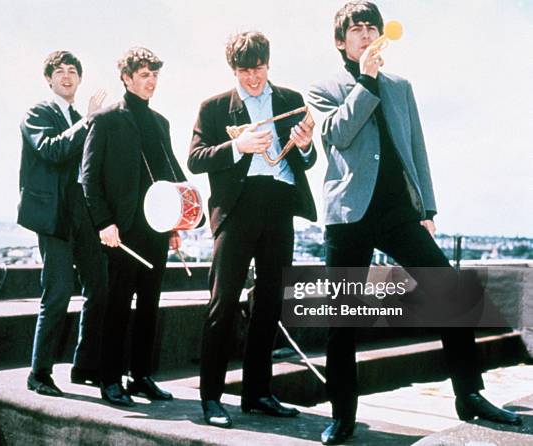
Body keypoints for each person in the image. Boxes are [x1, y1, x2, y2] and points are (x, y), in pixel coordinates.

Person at [307, 2, 523, 444]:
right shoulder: (323, 87)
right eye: (357, 30)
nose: (367, 35)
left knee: (452, 291)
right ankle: (342, 415)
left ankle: (470, 395)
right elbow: (336, 134)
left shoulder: (401, 86)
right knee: (341, 319)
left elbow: (417, 148)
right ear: (340, 42)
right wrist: (365, 79)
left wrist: (426, 210)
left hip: (398, 213)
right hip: (348, 215)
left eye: (372, 28)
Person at [188, 31, 317, 428]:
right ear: (233, 70)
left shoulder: (292, 102)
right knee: (222, 301)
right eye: (244, 72)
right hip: (236, 210)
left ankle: (258, 393)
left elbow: (307, 161)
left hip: (279, 204)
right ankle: (211, 398)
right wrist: (236, 147)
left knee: (270, 303)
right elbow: (194, 159)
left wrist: (307, 145)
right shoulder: (213, 109)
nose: (253, 79)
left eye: (259, 69)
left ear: (268, 63)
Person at [82, 47, 188, 407]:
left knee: (149, 307)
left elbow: (170, 175)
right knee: (116, 307)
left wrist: (177, 223)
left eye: (155, 74)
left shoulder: (161, 123)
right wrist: (104, 223)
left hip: (155, 230)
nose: (151, 81)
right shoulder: (106, 119)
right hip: (120, 234)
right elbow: (88, 179)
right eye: (144, 75)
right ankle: (110, 380)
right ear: (126, 78)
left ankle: (141, 376)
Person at [18, 50, 107, 396]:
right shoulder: (38, 113)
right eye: (60, 72)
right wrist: (87, 121)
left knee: (100, 286)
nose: (67, 77)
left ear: (80, 79)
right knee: (56, 294)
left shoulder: (86, 118)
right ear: (49, 79)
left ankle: (84, 367)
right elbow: (52, 150)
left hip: (83, 215)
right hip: (54, 218)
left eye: (73, 71)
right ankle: (39, 374)